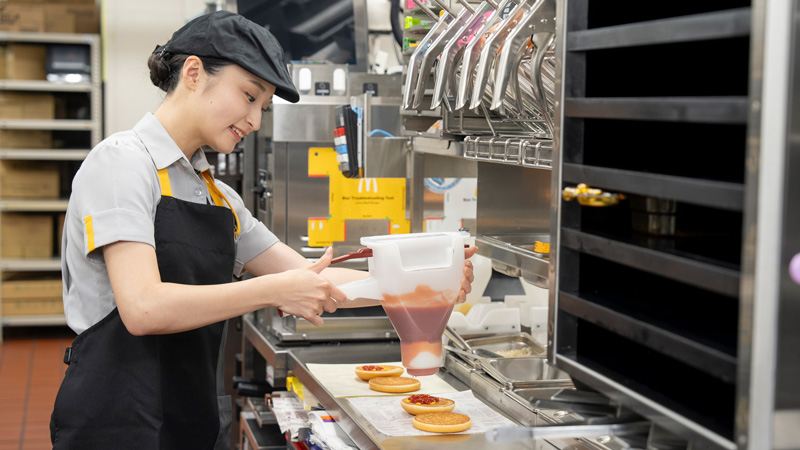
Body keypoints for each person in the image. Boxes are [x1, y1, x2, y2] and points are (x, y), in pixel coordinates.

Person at [49, 10, 477, 450]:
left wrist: (424, 284)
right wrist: (271, 291)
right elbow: (142, 308)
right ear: (194, 73)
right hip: (112, 423)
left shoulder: (217, 197)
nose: (255, 121)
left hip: (185, 420)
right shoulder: (121, 163)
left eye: (263, 107)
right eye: (249, 96)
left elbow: (313, 278)